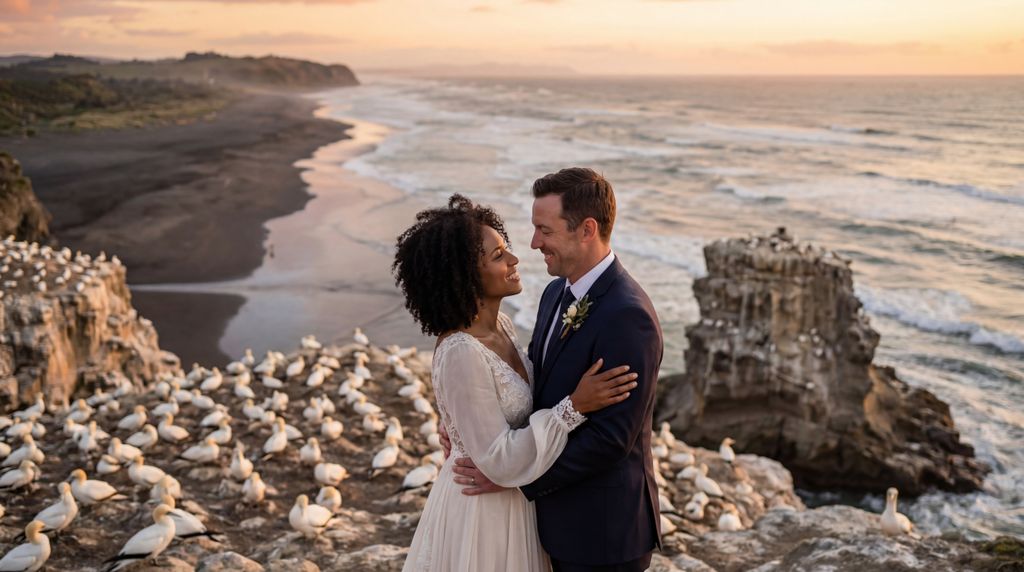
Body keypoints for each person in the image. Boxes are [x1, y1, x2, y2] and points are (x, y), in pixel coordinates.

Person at [395, 194, 638, 571]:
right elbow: (498, 460)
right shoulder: (461, 350)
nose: (515, 259)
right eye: (497, 256)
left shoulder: (503, 327)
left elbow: (499, 403)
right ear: (465, 275)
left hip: (517, 503)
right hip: (484, 510)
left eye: (505, 249)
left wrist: (458, 424)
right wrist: (573, 408)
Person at [452, 168, 664, 571]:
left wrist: (515, 478)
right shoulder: (555, 293)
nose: (534, 243)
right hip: (556, 521)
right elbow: (536, 386)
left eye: (544, 230)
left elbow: (610, 439)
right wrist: (465, 423)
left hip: (601, 532)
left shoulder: (627, 316)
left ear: (587, 229)